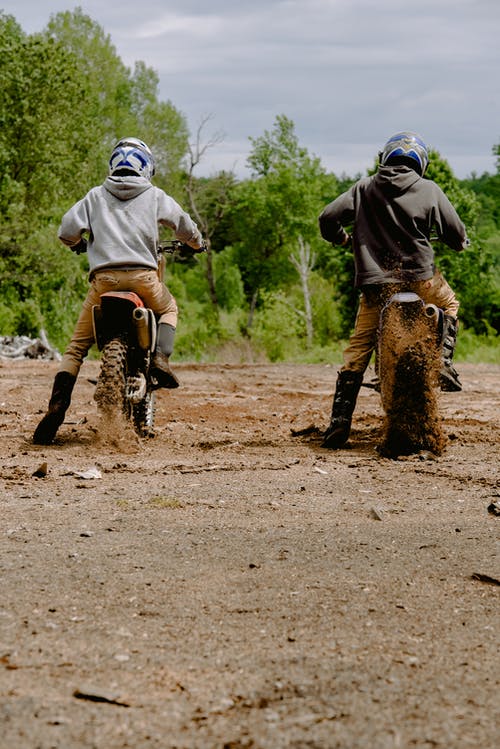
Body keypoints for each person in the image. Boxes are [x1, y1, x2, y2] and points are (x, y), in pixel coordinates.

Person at [33, 137, 204, 445]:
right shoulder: (154, 195)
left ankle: (57, 408)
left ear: (114, 164)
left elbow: (66, 231)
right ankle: (161, 360)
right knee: (169, 309)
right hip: (144, 279)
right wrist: (197, 242)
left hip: (104, 283)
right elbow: (184, 226)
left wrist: (79, 244)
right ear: (146, 167)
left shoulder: (95, 196)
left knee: (75, 348)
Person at [318, 131, 470, 450]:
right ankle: (442, 359)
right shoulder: (428, 189)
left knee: (357, 351)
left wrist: (343, 240)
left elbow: (328, 217)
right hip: (422, 282)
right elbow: (456, 234)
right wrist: (458, 244)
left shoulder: (363, 188)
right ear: (420, 164)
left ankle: (339, 422)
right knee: (452, 304)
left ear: (385, 158)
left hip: (377, 288)